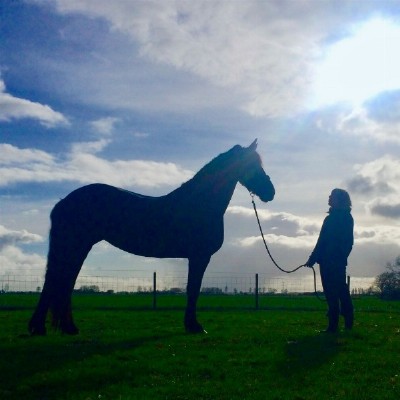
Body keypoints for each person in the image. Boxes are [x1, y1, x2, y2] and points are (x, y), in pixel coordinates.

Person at [305, 188, 354, 333]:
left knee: (338, 291)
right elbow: (321, 241)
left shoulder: (345, 218)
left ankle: (342, 321)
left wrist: (338, 257)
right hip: (326, 261)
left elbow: (348, 242)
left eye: (332, 196)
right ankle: (338, 323)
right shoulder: (330, 218)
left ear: (340, 199)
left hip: (335, 261)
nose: (329, 198)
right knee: (331, 292)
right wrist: (312, 258)